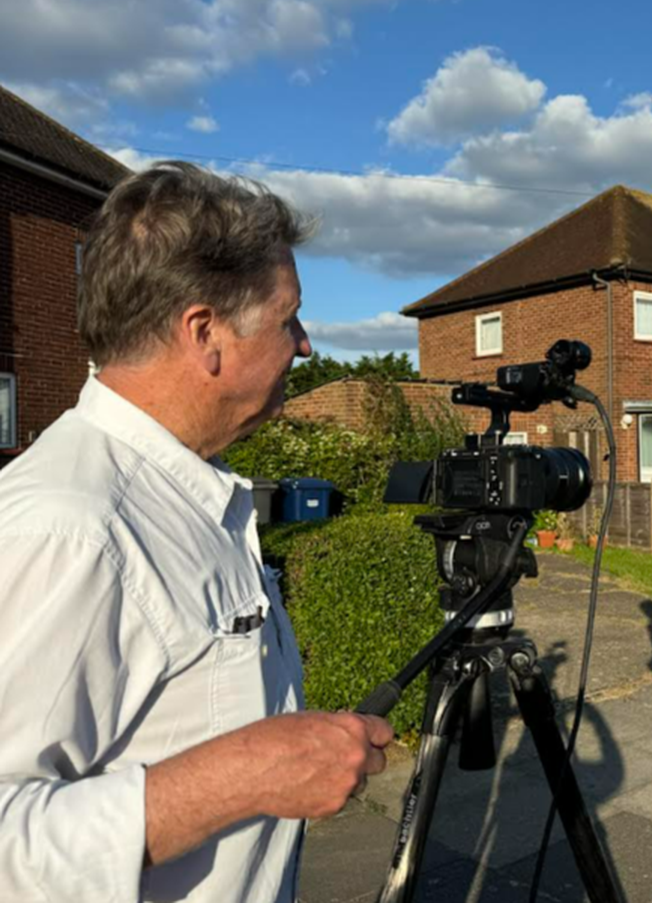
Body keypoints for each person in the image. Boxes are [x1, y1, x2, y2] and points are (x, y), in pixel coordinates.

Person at [0, 162, 393, 902]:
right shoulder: (70, 529)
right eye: (288, 318)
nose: (305, 345)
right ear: (205, 332)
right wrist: (244, 775)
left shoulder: (187, 490)